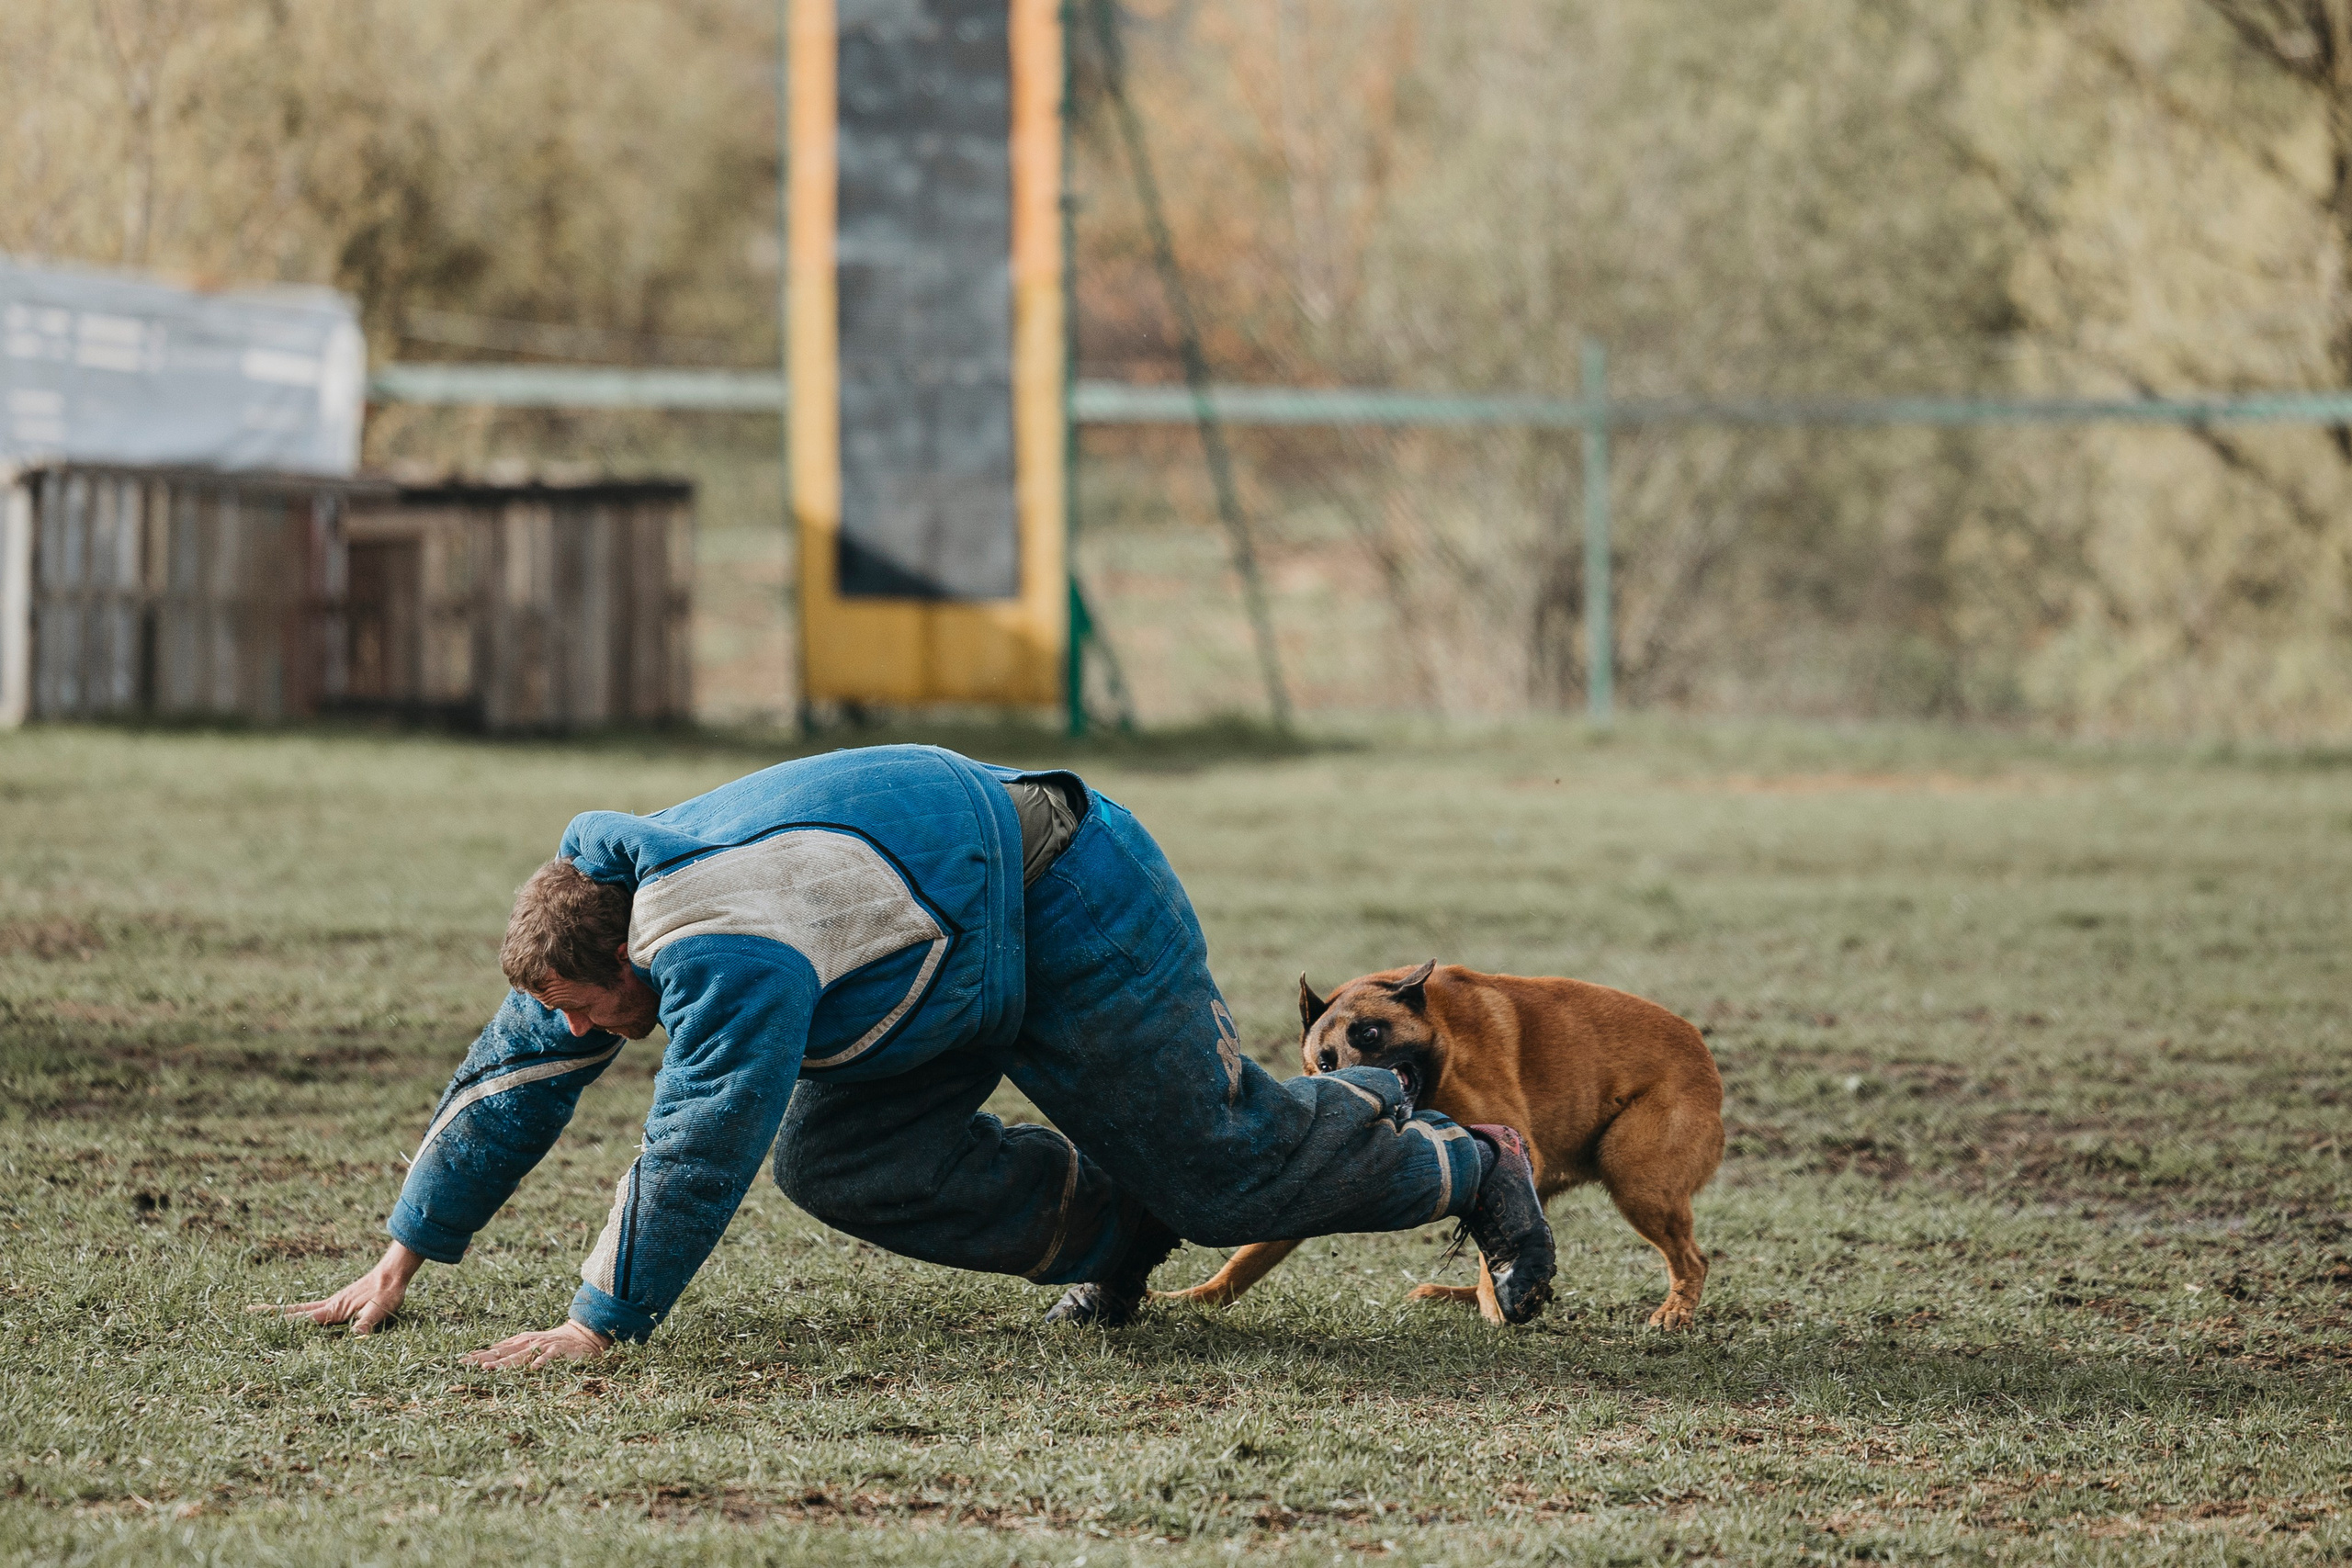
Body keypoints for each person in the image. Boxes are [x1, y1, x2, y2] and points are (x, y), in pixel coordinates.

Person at [263, 745, 1554, 1366]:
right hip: (930, 961)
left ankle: (1459, 1159)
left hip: (1066, 898)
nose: (586, 1032)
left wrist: (599, 1323)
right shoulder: (594, 916)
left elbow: (694, 1141)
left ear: (635, 969)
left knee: (1227, 1174)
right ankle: (1119, 1241)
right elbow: (516, 1073)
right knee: (837, 1158)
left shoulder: (718, 955)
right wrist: (404, 1253)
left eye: (596, 1013)